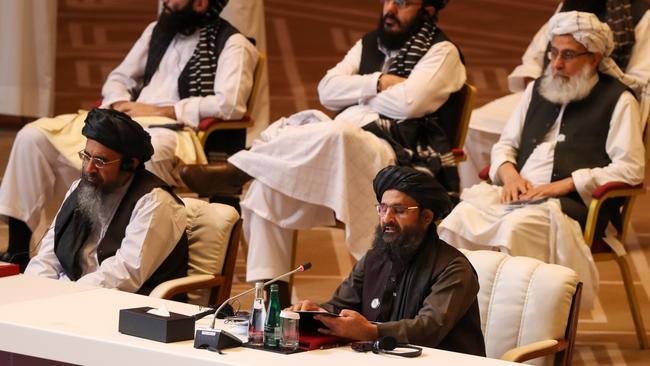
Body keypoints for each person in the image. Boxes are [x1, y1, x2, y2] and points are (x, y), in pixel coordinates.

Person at [180, 0, 466, 306]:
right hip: (334, 156)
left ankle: (240, 169)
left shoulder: (442, 52)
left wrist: (356, 96)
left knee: (336, 131)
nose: (390, 10)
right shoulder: (370, 43)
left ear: (429, 9)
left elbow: (410, 103)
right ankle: (273, 304)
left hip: (393, 154)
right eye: (387, 0)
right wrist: (378, 82)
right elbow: (327, 90)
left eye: (403, 3)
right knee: (267, 190)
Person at [0, 0, 258, 269]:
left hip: (174, 130)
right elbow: (119, 78)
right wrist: (119, 105)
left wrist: (164, 110)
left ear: (201, 3)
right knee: (34, 136)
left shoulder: (234, 44)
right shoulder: (156, 31)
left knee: (154, 150)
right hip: (126, 121)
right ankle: (18, 249)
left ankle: (122, 247)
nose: (166, 2)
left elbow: (230, 104)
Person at [438, 11, 646, 308]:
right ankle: (460, 312)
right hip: (517, 194)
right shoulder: (539, 89)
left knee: (514, 229)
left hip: (569, 207)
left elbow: (631, 168)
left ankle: (512, 318)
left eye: (568, 55)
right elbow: (505, 145)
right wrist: (508, 173)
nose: (556, 64)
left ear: (594, 57)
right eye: (554, 52)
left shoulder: (619, 100)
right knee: (457, 220)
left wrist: (562, 186)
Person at [289, 166, 486, 355]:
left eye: (399, 210)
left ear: (426, 217)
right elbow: (339, 306)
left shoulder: (453, 268)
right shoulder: (373, 259)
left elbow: (429, 329)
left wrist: (371, 332)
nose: (387, 219)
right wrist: (314, 313)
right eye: (382, 209)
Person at [460, 0, 649, 188]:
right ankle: (490, 189)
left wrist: (598, 93)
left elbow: (639, 82)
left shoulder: (641, 14)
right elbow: (534, 58)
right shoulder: (569, 6)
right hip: (549, 91)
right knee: (473, 125)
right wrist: (540, 96)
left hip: (596, 101)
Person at [25, 108, 188, 295]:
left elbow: (125, 275)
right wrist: (34, 293)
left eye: (100, 161)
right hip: (70, 296)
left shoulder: (155, 202)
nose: (89, 168)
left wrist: (63, 296)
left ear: (130, 164)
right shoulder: (81, 188)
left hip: (127, 308)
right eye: (86, 156)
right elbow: (47, 257)